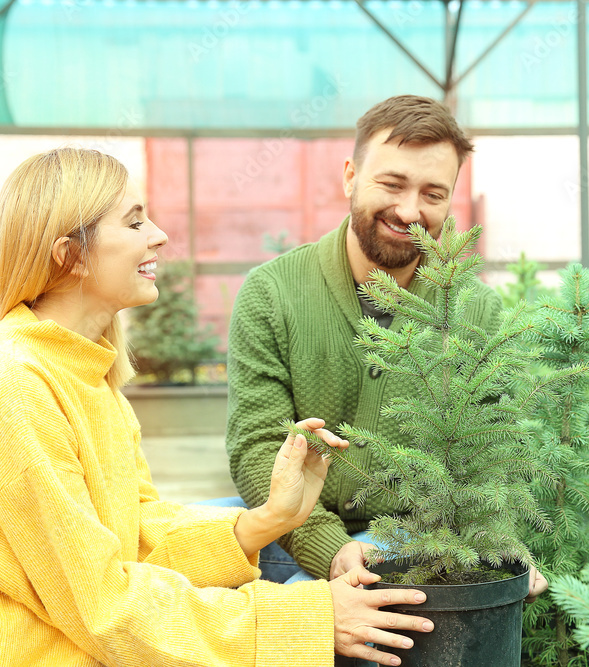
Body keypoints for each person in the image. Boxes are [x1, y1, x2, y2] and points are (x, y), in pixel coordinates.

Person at [0, 148, 433, 667]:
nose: (158, 236)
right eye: (133, 222)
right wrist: (307, 619)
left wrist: (270, 519)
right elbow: (105, 607)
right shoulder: (6, 388)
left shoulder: (84, 373)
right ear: (68, 256)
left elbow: (134, 535)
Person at [225, 95, 550, 599]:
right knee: (177, 545)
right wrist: (327, 545)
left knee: (301, 599)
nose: (408, 211)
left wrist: (501, 545)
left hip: (413, 534)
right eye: (392, 184)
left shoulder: (476, 312)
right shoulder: (274, 293)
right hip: (300, 517)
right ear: (350, 175)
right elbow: (257, 445)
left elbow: (499, 455)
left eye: (432, 194)